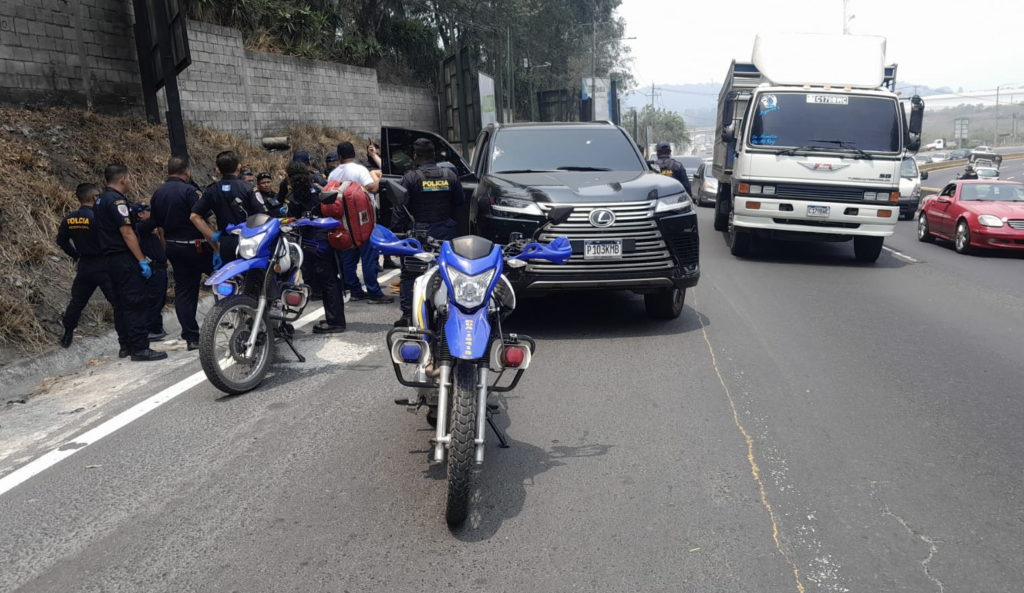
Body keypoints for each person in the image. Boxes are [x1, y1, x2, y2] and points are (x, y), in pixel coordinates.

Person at [94, 165, 167, 361]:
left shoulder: (100, 200)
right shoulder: (117, 201)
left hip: (109, 259)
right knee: (135, 302)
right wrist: (142, 260)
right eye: (130, 178)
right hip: (123, 258)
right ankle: (140, 348)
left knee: (120, 304)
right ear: (123, 179)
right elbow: (127, 233)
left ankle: (125, 345)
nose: (131, 182)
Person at [393, 138, 465, 327]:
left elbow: (400, 209)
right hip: (446, 232)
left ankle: (409, 315)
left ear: (415, 156)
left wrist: (396, 232)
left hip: (419, 235)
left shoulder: (410, 178)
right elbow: (460, 202)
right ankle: (452, 311)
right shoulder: (450, 175)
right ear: (434, 155)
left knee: (411, 274)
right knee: (449, 272)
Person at [151, 156, 211, 351]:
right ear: (186, 170)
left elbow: (159, 227)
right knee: (224, 279)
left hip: (173, 247)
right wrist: (216, 245)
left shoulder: (158, 193)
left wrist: (166, 249)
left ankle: (191, 338)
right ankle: (234, 318)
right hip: (198, 246)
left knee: (184, 292)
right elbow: (202, 219)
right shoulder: (190, 191)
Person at [56, 183, 122, 349]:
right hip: (103, 264)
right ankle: (125, 339)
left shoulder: (69, 219)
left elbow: (61, 241)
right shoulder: (98, 218)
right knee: (117, 302)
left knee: (77, 302)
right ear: (94, 197)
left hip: (84, 265)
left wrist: (75, 255)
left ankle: (67, 334)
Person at [285, 161, 347, 334]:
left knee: (326, 283)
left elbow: (290, 223)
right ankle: (334, 319)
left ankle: (335, 323)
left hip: (310, 244)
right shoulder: (320, 191)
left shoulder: (291, 198)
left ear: (289, 178)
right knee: (332, 281)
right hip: (327, 241)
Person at [327, 141, 393, 304]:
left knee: (349, 257)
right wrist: (381, 178)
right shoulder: (359, 170)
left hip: (343, 222)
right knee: (369, 257)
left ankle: (355, 290)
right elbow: (373, 188)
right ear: (354, 154)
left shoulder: (333, 174)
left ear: (339, 156)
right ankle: (374, 293)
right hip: (364, 221)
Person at [190, 151, 268, 267]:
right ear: (239, 167)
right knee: (253, 275)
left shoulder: (212, 190)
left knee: (230, 275)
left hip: (226, 242)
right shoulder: (249, 188)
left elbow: (194, 217)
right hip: (250, 241)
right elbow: (263, 217)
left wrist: (213, 236)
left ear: (218, 170)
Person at [132, 202, 168, 341]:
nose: (151, 214)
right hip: (152, 270)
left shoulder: (147, 231)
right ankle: (147, 330)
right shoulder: (139, 227)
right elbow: (153, 221)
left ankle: (157, 328)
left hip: (160, 269)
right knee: (152, 300)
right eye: (149, 211)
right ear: (140, 214)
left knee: (159, 300)